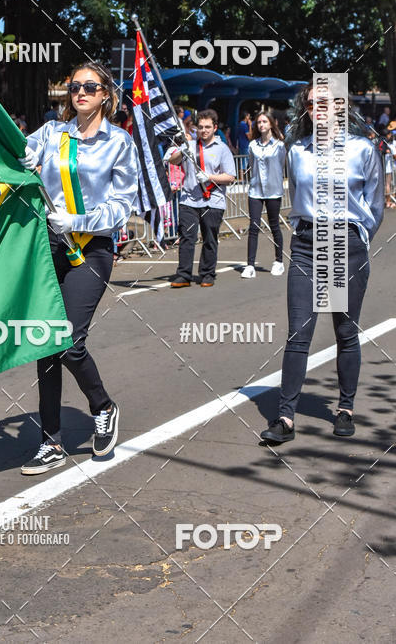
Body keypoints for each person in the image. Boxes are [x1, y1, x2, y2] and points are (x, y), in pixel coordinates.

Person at [19, 62, 139, 474]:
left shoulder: (119, 142)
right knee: (46, 342)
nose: (81, 92)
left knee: (69, 340)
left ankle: (102, 406)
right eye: (75, 87)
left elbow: (124, 203)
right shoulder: (53, 133)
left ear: (106, 94)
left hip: (91, 248)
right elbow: (20, 154)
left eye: (90, 86)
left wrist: (79, 221)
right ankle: (49, 440)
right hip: (48, 246)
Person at [260, 81, 384, 444]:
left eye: (327, 104)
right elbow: (297, 196)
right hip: (307, 245)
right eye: (313, 105)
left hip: (346, 244)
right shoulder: (297, 150)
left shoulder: (363, 149)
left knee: (345, 331)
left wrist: (356, 238)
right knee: (299, 333)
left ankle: (345, 408)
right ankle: (285, 417)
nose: (320, 110)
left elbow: (375, 206)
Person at [165, 109, 235, 288]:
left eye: (208, 127)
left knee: (209, 238)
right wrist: (181, 150)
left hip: (213, 200)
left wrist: (210, 177)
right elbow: (173, 161)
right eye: (201, 127)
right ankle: (183, 275)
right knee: (187, 237)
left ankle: (207, 274)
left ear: (215, 128)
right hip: (189, 199)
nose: (204, 131)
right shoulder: (191, 145)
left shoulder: (222, 149)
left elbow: (230, 177)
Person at [241, 112, 286, 279]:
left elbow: (281, 164)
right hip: (256, 190)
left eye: (264, 121)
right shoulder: (253, 145)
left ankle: (279, 261)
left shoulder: (279, 146)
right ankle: (250, 265)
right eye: (258, 122)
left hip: (273, 190)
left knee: (274, 225)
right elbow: (251, 165)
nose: (261, 125)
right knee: (253, 227)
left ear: (271, 124)